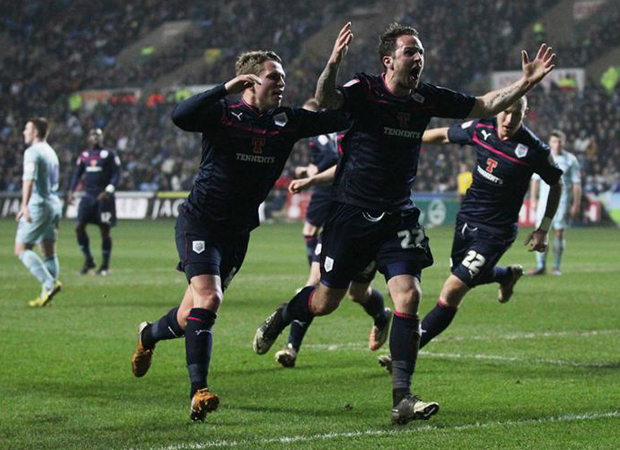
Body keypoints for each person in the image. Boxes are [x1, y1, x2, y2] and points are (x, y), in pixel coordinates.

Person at [253, 22, 555, 425]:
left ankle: (402, 398)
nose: (419, 58)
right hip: (351, 213)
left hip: (398, 214)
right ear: (388, 60)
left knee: (409, 295)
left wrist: (526, 82)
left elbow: (484, 104)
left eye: (421, 52)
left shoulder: (426, 97)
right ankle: (283, 314)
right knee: (325, 302)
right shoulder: (364, 89)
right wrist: (333, 62)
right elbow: (326, 99)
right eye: (411, 52)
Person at [129, 50, 351, 422]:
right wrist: (224, 88)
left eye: (283, 77)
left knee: (187, 316)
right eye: (274, 77)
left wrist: (350, 82)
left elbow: (343, 116)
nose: (282, 83)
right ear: (250, 81)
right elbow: (180, 116)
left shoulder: (288, 120)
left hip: (238, 232)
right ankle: (198, 391)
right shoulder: (223, 113)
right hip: (200, 222)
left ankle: (148, 336)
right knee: (210, 298)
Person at [377, 97, 563, 373]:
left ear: (525, 114)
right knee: (463, 273)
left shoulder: (534, 150)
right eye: (505, 112)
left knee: (453, 288)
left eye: (517, 114)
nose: (509, 120)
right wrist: (405, 137)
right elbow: (443, 135)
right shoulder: (481, 129)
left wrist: (543, 228)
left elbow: (556, 183)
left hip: (496, 232)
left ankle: (404, 354)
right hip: (466, 221)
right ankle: (505, 275)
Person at [274, 162, 392, 369]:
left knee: (357, 294)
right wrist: (311, 178)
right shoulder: (344, 149)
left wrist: (312, 176)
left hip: (367, 231)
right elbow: (341, 165)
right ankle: (292, 348)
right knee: (313, 284)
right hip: (337, 226)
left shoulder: (372, 152)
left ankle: (381, 316)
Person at [15, 118, 63, 307]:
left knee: (21, 249)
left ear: (35, 132)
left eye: (27, 129)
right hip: (54, 204)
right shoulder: (50, 151)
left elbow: (29, 179)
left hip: (40, 205)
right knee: (48, 251)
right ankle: (46, 295)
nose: (24, 132)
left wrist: (24, 205)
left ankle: (49, 283)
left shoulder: (32, 152)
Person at [67, 128, 121, 276]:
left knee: (105, 230)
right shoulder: (84, 155)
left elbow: (116, 175)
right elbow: (77, 174)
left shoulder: (110, 154)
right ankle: (89, 260)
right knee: (79, 227)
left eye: (98, 135)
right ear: (88, 138)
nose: (95, 138)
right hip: (88, 196)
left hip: (104, 197)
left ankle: (104, 266)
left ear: (102, 138)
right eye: (92, 135)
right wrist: (71, 191)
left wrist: (109, 190)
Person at [529, 129, 581, 276]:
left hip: (562, 202)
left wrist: (576, 204)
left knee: (559, 232)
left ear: (564, 143)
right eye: (554, 141)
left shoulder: (571, 160)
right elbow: (535, 180)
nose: (557, 144)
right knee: (540, 231)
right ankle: (540, 266)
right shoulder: (544, 157)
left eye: (559, 141)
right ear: (550, 142)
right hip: (543, 202)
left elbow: (576, 183)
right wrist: (533, 199)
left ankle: (556, 267)